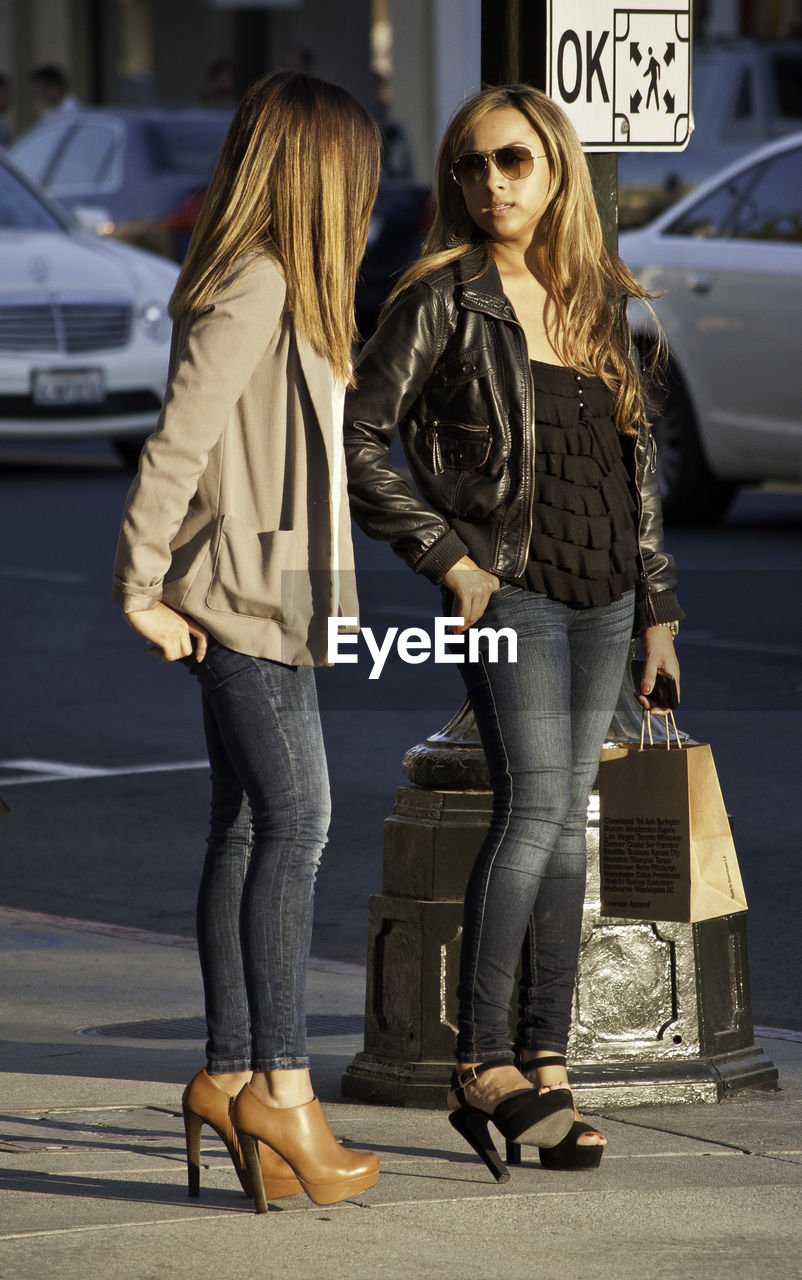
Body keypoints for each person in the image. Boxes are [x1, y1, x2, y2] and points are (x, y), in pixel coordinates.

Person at [344, 84, 682, 1179]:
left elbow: (633, 473)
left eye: (513, 163)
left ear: (554, 172)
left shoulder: (595, 296)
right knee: (533, 809)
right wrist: (445, 555)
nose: (491, 183)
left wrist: (659, 610)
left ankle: (546, 1061)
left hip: (607, 591)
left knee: (574, 825)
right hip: (514, 591)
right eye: (472, 166)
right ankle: (479, 1060)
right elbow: (357, 440)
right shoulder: (443, 297)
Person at [112, 71, 381, 1213]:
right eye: (356, 171)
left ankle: (226, 1072)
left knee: (243, 827)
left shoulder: (289, 287)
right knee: (301, 821)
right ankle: (280, 1086)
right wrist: (137, 582)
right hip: (238, 602)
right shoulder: (261, 283)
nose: (368, 191)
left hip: (279, 600)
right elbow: (177, 442)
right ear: (318, 174)